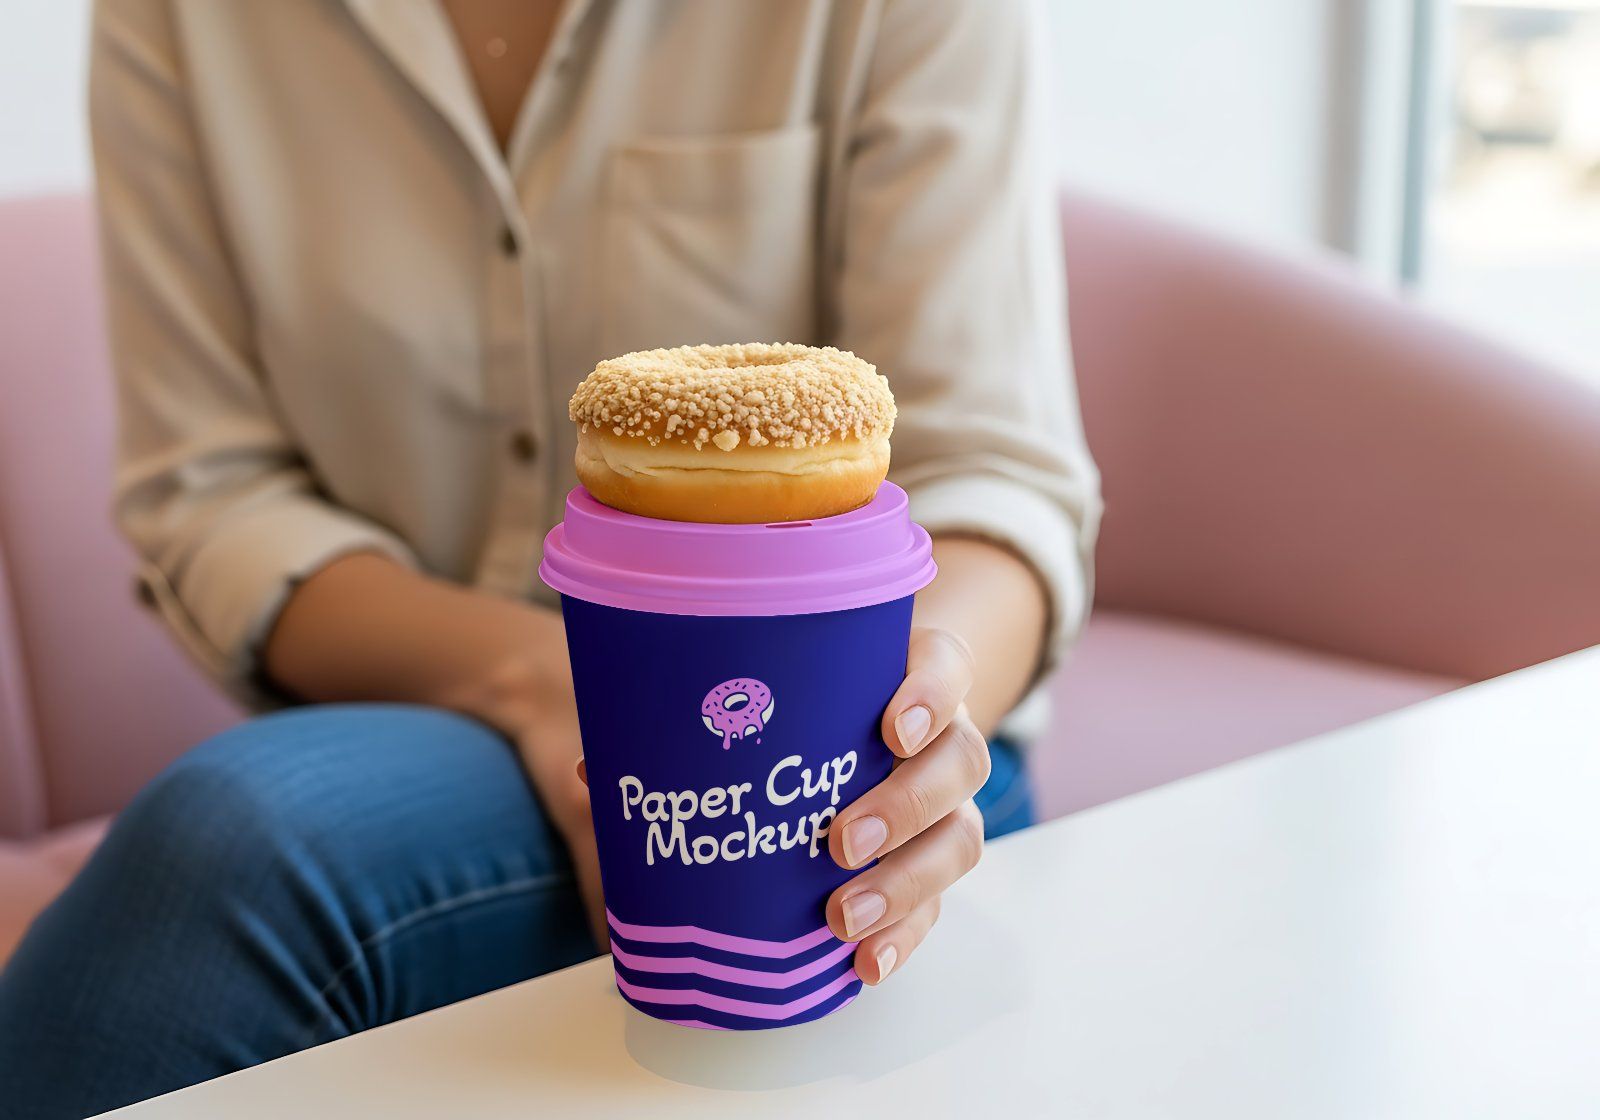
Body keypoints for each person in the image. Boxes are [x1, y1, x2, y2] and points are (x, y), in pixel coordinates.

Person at [0, 0, 1099, 1114]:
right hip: (422, 716)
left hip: (834, 761)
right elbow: (213, 493)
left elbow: (993, 474)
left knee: (229, 854)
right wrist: (542, 682)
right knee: (227, 850)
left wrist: (904, 733)